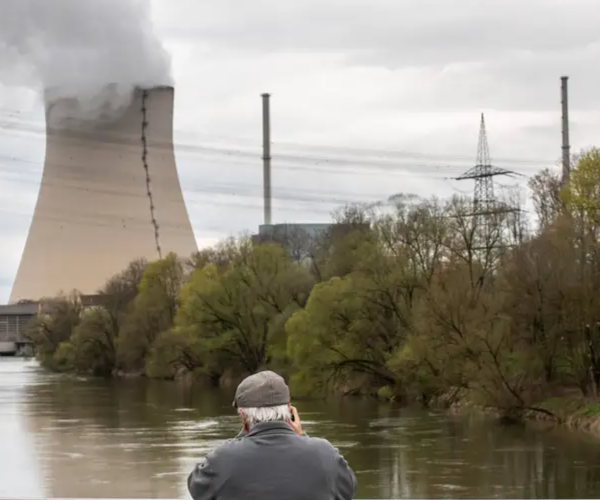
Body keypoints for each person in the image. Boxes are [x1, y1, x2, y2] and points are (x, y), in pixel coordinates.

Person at [188, 370, 357, 500]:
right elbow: (348, 488)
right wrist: (300, 435)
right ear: (290, 410)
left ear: (242, 416)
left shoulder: (222, 459)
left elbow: (196, 488)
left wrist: (245, 433)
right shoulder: (325, 454)